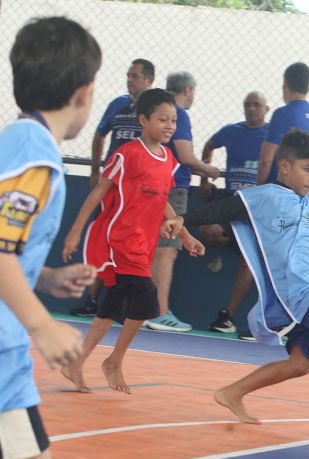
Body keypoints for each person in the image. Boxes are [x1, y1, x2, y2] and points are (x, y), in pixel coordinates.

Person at [162, 131, 309, 443]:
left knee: (300, 363)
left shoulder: (308, 203)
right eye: (307, 169)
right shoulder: (262, 197)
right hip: (300, 291)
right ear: (285, 167)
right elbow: (223, 210)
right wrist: (183, 219)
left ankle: (232, 392)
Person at [0, 16, 100, 459]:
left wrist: (44, 278)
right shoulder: (33, 152)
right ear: (85, 92)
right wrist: (42, 324)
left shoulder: (13, 144)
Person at [61, 89, 205, 395]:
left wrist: (184, 233)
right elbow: (99, 192)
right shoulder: (127, 154)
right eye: (162, 119)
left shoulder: (168, 158)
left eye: (174, 120)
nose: (169, 125)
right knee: (146, 297)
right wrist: (75, 232)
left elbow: (164, 200)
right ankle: (115, 359)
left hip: (144, 243)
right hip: (121, 239)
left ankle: (77, 361)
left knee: (112, 306)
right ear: (143, 120)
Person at [70, 58, 155, 318]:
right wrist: (96, 169)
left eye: (135, 76)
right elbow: (99, 134)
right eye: (128, 75)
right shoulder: (118, 105)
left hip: (137, 193)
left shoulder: (155, 110)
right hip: (111, 187)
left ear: (149, 80)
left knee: (130, 246)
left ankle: (123, 303)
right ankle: (92, 299)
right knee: (103, 239)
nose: (130, 80)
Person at [145, 71, 220, 333]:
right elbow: (186, 157)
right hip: (172, 188)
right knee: (167, 249)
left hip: (157, 186)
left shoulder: (156, 113)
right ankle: (158, 311)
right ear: (187, 90)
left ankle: (145, 308)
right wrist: (208, 171)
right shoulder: (181, 114)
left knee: (154, 248)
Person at [199, 91, 270, 337]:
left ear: (266, 109)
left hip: (258, 211)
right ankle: (238, 241)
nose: (252, 109)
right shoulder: (232, 131)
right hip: (232, 206)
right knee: (207, 231)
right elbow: (209, 144)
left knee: (248, 262)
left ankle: (227, 317)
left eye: (257, 105)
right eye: (247, 104)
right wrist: (205, 178)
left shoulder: (273, 136)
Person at [256, 62, 309, 201]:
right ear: (307, 87)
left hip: (281, 192)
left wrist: (259, 192)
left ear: (285, 84)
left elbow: (266, 159)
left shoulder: (283, 114)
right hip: (305, 193)